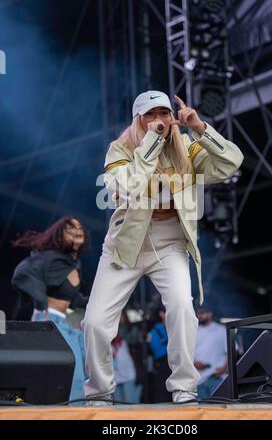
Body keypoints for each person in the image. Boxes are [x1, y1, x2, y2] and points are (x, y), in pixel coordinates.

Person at [82, 90, 244, 405]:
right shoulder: (120, 148)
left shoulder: (186, 147)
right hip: (127, 243)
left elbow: (231, 163)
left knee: (183, 307)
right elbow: (126, 186)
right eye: (150, 115)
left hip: (170, 242)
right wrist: (151, 144)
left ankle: (184, 389)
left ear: (172, 117)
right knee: (96, 321)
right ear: (138, 118)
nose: (158, 121)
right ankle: (99, 393)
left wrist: (199, 127)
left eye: (164, 114)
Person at [11, 216, 89, 403]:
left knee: (87, 370)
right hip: (49, 323)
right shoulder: (50, 259)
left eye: (79, 227)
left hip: (65, 324)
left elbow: (75, 299)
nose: (77, 230)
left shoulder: (71, 265)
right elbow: (22, 273)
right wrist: (40, 302)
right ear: (60, 234)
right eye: (70, 227)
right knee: (71, 373)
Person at [194, 307, 228, 398]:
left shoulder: (221, 330)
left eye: (202, 313)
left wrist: (224, 368)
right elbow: (185, 353)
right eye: (198, 313)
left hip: (217, 377)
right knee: (201, 410)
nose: (199, 315)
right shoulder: (192, 330)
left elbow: (232, 351)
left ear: (210, 313)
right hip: (198, 380)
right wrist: (193, 363)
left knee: (220, 408)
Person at [148, 304, 172, 402]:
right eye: (167, 311)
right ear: (161, 314)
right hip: (163, 367)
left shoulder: (178, 328)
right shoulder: (154, 331)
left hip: (177, 365)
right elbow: (157, 352)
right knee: (163, 395)